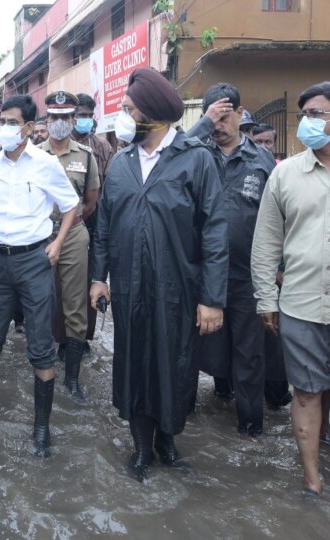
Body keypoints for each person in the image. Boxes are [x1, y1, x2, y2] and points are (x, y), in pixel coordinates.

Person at [90, 67, 228, 482]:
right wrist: (99, 278)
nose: (123, 116)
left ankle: (168, 443)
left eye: (129, 109)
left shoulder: (195, 159)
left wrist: (212, 298)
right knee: (133, 364)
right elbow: (104, 228)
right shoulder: (121, 163)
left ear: (152, 113)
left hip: (178, 290)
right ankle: (140, 448)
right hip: (130, 289)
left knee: (174, 365)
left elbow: (216, 232)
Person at [0, 94, 80, 458]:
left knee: (41, 347)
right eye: (2, 122)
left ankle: (41, 428)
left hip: (34, 262)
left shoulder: (46, 164)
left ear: (30, 128)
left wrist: (58, 243)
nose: (5, 129)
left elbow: (71, 206)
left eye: (13, 123)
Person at [251, 81, 330, 496]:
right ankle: (312, 480)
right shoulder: (284, 175)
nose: (307, 123)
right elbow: (265, 243)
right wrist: (267, 298)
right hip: (301, 305)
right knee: (306, 391)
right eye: (305, 115)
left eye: (316, 114)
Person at [188, 83, 276, 437]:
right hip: (202, 272)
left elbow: (277, 217)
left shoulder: (262, 160)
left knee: (249, 353)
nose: (219, 125)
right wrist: (202, 125)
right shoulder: (196, 154)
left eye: (225, 117)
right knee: (193, 347)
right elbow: (168, 156)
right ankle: (182, 420)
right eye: (213, 118)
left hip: (246, 275)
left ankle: (250, 428)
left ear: (241, 115)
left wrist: (277, 267)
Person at [38, 91, 99, 404]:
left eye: (65, 117)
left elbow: (90, 200)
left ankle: (72, 381)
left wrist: (68, 224)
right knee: (42, 304)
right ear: (46, 119)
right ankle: (43, 374)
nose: (59, 123)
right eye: (53, 117)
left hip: (74, 234)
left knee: (75, 307)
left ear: (73, 120)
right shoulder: (33, 154)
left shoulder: (86, 155)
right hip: (39, 235)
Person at [72, 93, 115, 346]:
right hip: (67, 224)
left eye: (89, 116)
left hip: (96, 222)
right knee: (65, 281)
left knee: (92, 278)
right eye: (81, 116)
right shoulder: (62, 144)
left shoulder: (103, 147)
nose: (85, 120)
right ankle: (63, 337)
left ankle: (83, 336)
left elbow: (109, 187)